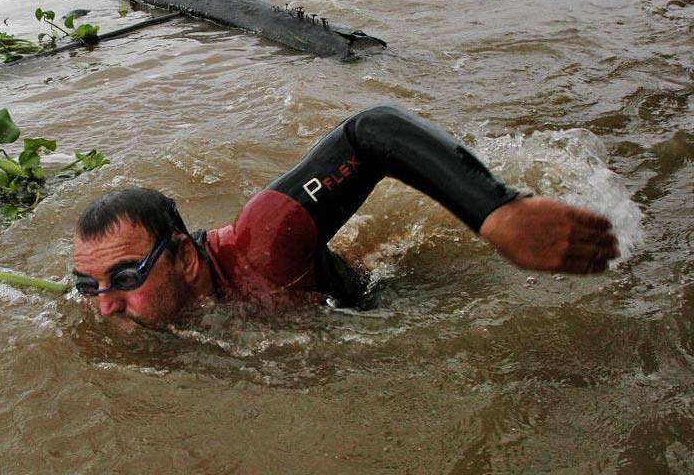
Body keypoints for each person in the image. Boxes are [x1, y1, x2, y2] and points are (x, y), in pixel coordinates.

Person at [70, 104, 620, 327]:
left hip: (379, 305)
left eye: (124, 278)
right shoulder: (118, 304)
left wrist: (498, 210)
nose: (104, 306)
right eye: (87, 286)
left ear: (186, 258)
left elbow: (372, 133)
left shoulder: (263, 240)